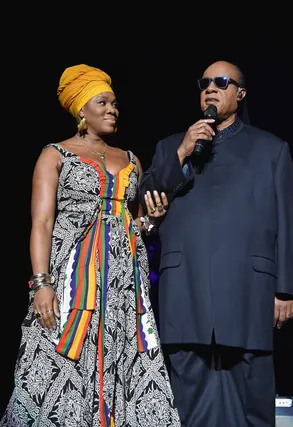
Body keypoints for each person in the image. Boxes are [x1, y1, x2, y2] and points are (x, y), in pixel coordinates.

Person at [1, 64, 181, 427]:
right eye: (103, 102)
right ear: (82, 109)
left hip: (123, 285)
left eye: (115, 103)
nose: (113, 109)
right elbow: (42, 223)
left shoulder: (130, 159)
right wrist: (42, 284)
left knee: (128, 358)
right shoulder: (54, 154)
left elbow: (136, 224)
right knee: (63, 360)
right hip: (72, 282)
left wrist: (153, 220)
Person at [139, 60, 293, 427]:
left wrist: (285, 290)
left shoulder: (271, 149)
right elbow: (147, 202)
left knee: (251, 402)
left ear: (240, 94)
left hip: (249, 291)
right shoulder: (170, 146)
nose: (210, 88)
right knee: (187, 400)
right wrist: (182, 151)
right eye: (205, 82)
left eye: (222, 82)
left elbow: (288, 223)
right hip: (186, 290)